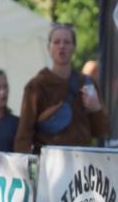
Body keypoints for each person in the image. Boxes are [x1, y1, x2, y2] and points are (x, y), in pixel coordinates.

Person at [13, 23, 109, 153]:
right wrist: (25, 167)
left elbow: (101, 131)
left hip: (81, 162)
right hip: (50, 163)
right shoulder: (36, 86)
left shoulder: (87, 83)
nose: (62, 46)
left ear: (74, 47)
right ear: (49, 47)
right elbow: (24, 135)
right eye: (56, 42)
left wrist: (96, 109)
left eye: (67, 42)